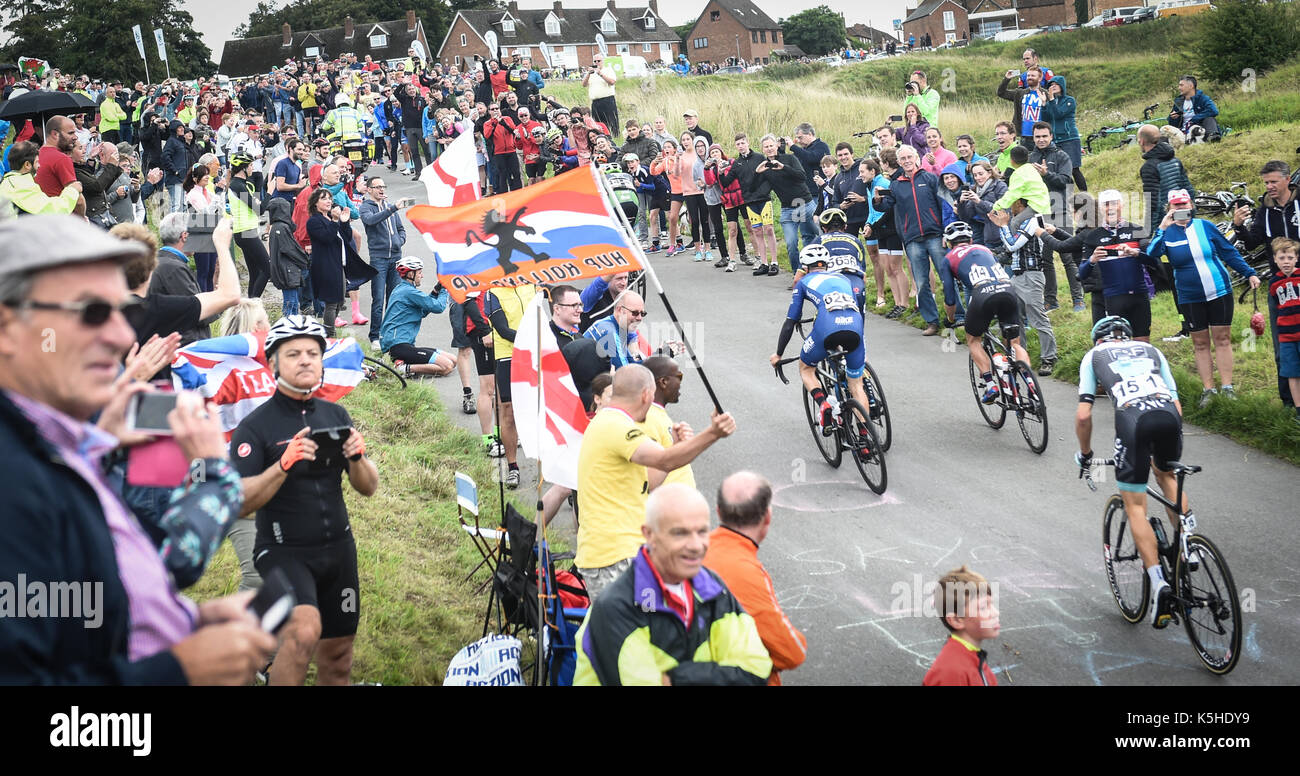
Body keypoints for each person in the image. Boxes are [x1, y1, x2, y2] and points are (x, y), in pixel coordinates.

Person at [0, 214, 275, 684]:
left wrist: (185, 623)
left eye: (123, 313)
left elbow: (85, 603)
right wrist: (180, 668)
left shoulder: (62, 446)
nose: (122, 337)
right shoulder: (15, 477)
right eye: (90, 312)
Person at [230, 315, 378, 685]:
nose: (306, 360)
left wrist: (359, 458)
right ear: (273, 363)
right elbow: (242, 502)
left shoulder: (335, 414)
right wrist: (283, 464)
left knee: (339, 657)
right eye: (293, 353)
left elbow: (368, 487)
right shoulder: (256, 427)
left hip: (339, 551)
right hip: (283, 551)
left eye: (313, 353)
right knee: (302, 632)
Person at [573, 483, 769, 685]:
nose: (695, 545)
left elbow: (755, 673)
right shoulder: (615, 607)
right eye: (680, 533)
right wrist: (719, 674)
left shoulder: (712, 588)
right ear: (649, 534)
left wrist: (677, 678)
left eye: (702, 532)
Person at [574, 368, 736, 601]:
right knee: (633, 632)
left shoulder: (610, 422)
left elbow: (650, 481)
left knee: (650, 629)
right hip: (614, 554)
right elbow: (664, 460)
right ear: (647, 395)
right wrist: (713, 433)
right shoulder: (616, 425)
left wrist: (675, 446)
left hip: (620, 551)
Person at [1075, 316, 1186, 630]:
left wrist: (1085, 455)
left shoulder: (1094, 356)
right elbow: (1176, 405)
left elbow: (1084, 414)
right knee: (1166, 476)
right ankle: (1188, 545)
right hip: (1168, 415)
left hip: (1133, 421)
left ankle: (1159, 584)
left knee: (1135, 505)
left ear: (1099, 340)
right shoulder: (1150, 349)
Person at [1143, 190, 1261, 406]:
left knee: (1222, 338)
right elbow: (1150, 256)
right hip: (1189, 295)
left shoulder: (1204, 226)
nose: (1180, 209)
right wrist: (1162, 228)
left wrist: (1249, 272)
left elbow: (1228, 251)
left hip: (1219, 290)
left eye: (1183, 204)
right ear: (1169, 209)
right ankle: (1209, 389)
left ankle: (1227, 387)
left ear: (1191, 205)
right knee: (1200, 342)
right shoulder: (1166, 232)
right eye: (1175, 206)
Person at [703, 471, 808, 686]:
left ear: (719, 512)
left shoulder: (695, 552)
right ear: (767, 517)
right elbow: (791, 652)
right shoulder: (745, 572)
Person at [769, 244, 876, 441]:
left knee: (806, 368)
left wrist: (778, 354)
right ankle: (865, 438)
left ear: (804, 266)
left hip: (827, 329)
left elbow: (791, 321)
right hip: (855, 328)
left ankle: (824, 404)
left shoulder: (803, 282)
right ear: (826, 263)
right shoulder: (843, 278)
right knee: (856, 385)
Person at [875, 144, 962, 335]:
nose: (906, 161)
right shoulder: (896, 184)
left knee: (946, 276)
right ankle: (932, 321)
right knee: (921, 282)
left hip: (935, 235)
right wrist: (878, 200)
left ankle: (959, 317)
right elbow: (886, 206)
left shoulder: (930, 178)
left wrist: (946, 232)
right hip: (912, 238)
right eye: (903, 159)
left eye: (909, 157)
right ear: (898, 162)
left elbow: (943, 203)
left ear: (916, 158)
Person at [1233, 160, 1299, 407]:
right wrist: (1239, 227)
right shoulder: (1265, 210)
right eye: (1266, 182)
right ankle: (1289, 403)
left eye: (1273, 181)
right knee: (1284, 345)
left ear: (1287, 179)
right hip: (1279, 287)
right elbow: (1252, 243)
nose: (1269, 186)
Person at [940, 221, 1029, 404]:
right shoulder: (984, 249)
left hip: (981, 294)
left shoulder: (948, 258)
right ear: (971, 239)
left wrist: (950, 320)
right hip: (1008, 290)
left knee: (973, 339)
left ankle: (991, 385)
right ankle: (1027, 381)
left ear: (949, 243)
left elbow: (950, 297)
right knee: (1014, 342)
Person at [989, 204, 1058, 376]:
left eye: (1012, 202)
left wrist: (1003, 226)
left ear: (1020, 203)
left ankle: (1048, 358)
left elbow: (1013, 245)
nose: (1009, 207)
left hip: (1032, 275)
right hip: (1018, 276)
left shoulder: (1032, 220)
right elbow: (1010, 251)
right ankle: (1020, 357)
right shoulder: (1019, 221)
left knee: (1037, 317)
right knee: (1013, 317)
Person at [1076, 189, 1152, 341]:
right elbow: (1081, 274)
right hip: (1113, 299)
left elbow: (1154, 261)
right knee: (1119, 345)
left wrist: (1136, 253)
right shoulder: (1093, 236)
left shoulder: (1137, 230)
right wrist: (1092, 260)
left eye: (1114, 203)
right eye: (1106, 204)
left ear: (1121, 205)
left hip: (1139, 296)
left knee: (1142, 344)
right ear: (1101, 208)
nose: (1110, 208)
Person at [485, 282, 538, 488]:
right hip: (508, 355)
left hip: (534, 352)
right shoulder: (493, 292)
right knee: (508, 411)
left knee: (539, 407)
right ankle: (513, 467)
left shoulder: (532, 286)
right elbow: (502, 329)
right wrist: (530, 339)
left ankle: (547, 462)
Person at [305, 188, 376, 338]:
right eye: (324, 199)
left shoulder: (330, 219)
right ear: (315, 203)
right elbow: (327, 238)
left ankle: (328, 332)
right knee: (331, 302)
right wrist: (336, 221)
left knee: (339, 301)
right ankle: (330, 335)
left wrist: (344, 223)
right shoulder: (314, 221)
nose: (329, 201)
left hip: (338, 264)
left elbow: (346, 236)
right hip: (325, 266)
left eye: (330, 198)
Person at [1027, 121, 1078, 312]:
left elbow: (1066, 182)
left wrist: (1047, 174)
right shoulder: (1030, 157)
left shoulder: (1062, 156)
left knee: (1068, 256)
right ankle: (1051, 301)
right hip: (1039, 213)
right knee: (1045, 259)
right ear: (1033, 138)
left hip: (1060, 210)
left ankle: (1078, 299)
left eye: (1044, 136)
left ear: (1051, 136)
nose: (1040, 140)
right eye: (1037, 136)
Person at [149, 212, 222, 344]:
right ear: (184, 236)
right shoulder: (172, 268)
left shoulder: (165, 261)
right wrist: (222, 299)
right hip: (186, 346)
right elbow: (198, 313)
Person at [359, 175, 414, 349]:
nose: (381, 189)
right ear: (369, 190)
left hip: (396, 257)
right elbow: (370, 221)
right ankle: (375, 336)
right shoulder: (366, 207)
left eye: (383, 186)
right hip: (379, 258)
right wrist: (392, 208)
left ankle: (390, 333)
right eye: (377, 187)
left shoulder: (389, 208)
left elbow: (400, 229)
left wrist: (400, 240)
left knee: (394, 298)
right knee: (378, 299)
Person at [922, 565, 1000, 686]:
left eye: (992, 604)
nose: (995, 613)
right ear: (957, 620)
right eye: (984, 607)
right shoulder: (952, 673)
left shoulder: (973, 659)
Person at [379, 258, 455, 378]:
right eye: (419, 273)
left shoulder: (403, 290)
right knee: (447, 366)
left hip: (404, 345)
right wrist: (445, 288)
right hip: (398, 346)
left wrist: (436, 291)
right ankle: (402, 368)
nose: (422, 276)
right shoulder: (409, 292)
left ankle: (404, 363)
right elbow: (439, 307)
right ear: (410, 274)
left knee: (453, 360)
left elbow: (423, 311)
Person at [724, 134, 777, 276]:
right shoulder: (737, 163)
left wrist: (766, 191)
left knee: (769, 230)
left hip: (764, 199)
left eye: (743, 143)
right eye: (738, 144)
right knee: (758, 231)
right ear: (736, 146)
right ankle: (764, 263)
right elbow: (725, 183)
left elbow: (770, 176)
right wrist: (721, 172)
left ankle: (774, 262)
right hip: (749, 201)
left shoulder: (760, 157)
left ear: (748, 143)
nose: (741, 146)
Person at [641, 356, 695, 487]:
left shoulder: (655, 413)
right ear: (664, 382)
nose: (680, 383)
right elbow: (648, 477)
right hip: (669, 503)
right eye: (679, 376)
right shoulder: (648, 417)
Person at [226, 152, 273, 298]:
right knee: (267, 270)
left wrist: (261, 185)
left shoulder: (241, 184)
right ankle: (253, 304)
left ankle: (249, 306)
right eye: (250, 165)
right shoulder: (237, 185)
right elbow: (259, 209)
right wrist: (270, 192)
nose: (252, 168)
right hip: (245, 232)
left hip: (246, 231)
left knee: (255, 272)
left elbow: (255, 202)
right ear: (243, 168)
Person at [0, 140, 81, 217]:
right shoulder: (21, 186)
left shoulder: (10, 182)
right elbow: (52, 211)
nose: (39, 166)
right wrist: (72, 190)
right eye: (37, 162)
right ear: (27, 165)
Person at [1270, 238, 1300, 425]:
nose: (1286, 261)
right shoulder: (1274, 284)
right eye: (1282, 257)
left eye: (1290, 257)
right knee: (1292, 373)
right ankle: (1298, 409)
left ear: (1297, 258)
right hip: (1287, 337)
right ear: (1275, 259)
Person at [267, 197, 310, 317]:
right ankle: (290, 327)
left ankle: (291, 326)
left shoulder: (276, 227)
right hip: (287, 271)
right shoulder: (281, 228)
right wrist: (305, 259)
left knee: (292, 302)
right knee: (291, 304)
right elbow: (291, 249)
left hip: (284, 270)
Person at [1042, 76, 1086, 192]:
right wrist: (1043, 104)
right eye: (1051, 84)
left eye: (1056, 84)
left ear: (1062, 86)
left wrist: (1051, 101)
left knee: (1074, 169)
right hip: (1055, 140)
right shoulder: (1051, 102)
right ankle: (1067, 196)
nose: (1053, 86)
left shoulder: (1069, 100)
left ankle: (1085, 195)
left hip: (1069, 139)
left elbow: (1059, 114)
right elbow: (1045, 119)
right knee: (1061, 170)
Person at [584, 289, 647, 369]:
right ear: (620, 310)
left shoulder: (619, 326)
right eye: (635, 313)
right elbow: (626, 372)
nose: (639, 318)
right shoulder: (610, 334)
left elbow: (634, 361)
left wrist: (659, 358)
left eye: (642, 313)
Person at [998, 66, 1045, 149]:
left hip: (1041, 137)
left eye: (1033, 76)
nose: (1030, 78)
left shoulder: (1046, 94)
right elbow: (1001, 93)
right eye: (1028, 76)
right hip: (1024, 137)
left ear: (1040, 78)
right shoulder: (1020, 93)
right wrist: (1007, 79)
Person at [1169, 75, 1220, 142]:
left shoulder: (1202, 98)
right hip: (1183, 131)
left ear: (1191, 86)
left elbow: (1214, 111)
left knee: (1209, 118)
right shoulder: (1178, 102)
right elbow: (1172, 124)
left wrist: (1194, 119)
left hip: (1200, 128)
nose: (1179, 88)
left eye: (1181, 85)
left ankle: (1212, 137)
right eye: (1179, 85)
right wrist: (1173, 118)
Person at [583, 53, 619, 139]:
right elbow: (584, 84)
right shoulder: (591, 74)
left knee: (611, 122)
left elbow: (612, 82)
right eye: (595, 61)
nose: (596, 63)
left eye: (598, 61)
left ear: (603, 61)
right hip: (596, 102)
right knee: (598, 123)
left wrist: (601, 74)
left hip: (607, 100)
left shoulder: (608, 70)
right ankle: (601, 138)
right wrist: (588, 74)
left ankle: (614, 138)